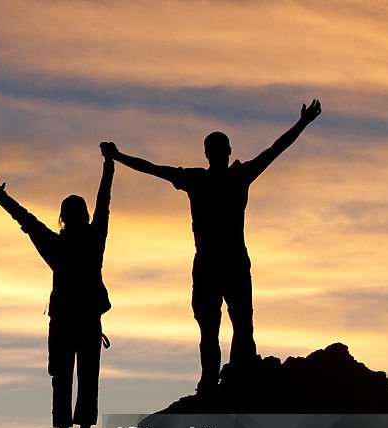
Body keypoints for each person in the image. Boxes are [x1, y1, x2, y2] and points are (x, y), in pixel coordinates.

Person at [101, 99, 322, 395]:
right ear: (220, 153)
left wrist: (118, 156)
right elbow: (274, 150)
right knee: (227, 326)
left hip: (220, 264)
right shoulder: (224, 177)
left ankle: (225, 379)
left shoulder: (212, 178)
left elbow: (153, 168)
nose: (217, 154)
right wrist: (119, 156)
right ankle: (217, 380)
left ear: (215, 153)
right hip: (219, 264)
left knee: (230, 327)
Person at [0, 145, 115, 428]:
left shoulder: (56, 244)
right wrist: (109, 165)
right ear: (84, 215)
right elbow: (104, 200)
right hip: (88, 317)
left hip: (66, 318)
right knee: (86, 374)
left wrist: (2, 197)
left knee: (63, 373)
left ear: (63, 218)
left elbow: (26, 221)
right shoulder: (94, 240)